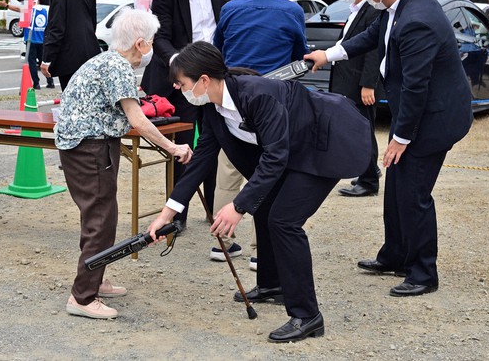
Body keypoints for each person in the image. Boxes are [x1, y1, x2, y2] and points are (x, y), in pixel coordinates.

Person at [147, 41, 371, 343]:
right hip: (293, 148)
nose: (178, 88)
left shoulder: (257, 93)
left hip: (324, 142)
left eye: (181, 83)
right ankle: (272, 284)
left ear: (203, 80)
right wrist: (167, 213)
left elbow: (275, 156)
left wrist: (237, 206)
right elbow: (201, 161)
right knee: (264, 207)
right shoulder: (212, 109)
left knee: (283, 220)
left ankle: (307, 316)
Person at [305, 0, 473, 297]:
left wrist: (400, 137)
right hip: (417, 112)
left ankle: (424, 273)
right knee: (396, 186)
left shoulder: (418, 20)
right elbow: (369, 39)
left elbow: (416, 87)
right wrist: (328, 54)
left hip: (435, 118)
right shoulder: (400, 2)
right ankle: (395, 255)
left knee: (414, 193)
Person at [55, 9, 193, 320]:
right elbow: (138, 120)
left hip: (84, 145)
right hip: (90, 148)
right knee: (101, 219)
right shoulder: (116, 67)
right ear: (141, 43)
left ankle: (95, 278)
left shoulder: (105, 61)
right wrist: (172, 146)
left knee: (98, 216)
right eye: (153, 42)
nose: (154, 48)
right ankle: (83, 296)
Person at [211, 0, 308, 268]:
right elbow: (298, 55)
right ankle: (260, 248)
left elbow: (218, 49)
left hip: (235, 94)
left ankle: (222, 241)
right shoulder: (292, 10)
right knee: (270, 168)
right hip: (275, 96)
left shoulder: (231, 8)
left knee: (228, 168)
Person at [140, 0, 234, 226]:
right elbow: (161, 38)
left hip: (214, 78)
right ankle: (177, 213)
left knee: (216, 140)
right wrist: (181, 67)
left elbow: (229, 22)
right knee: (183, 147)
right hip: (181, 80)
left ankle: (212, 210)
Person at [332, 0, 385, 198]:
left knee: (363, 130)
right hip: (348, 82)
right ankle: (368, 170)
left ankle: (369, 180)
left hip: (360, 85)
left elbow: (374, 51)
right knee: (358, 129)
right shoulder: (356, 10)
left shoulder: (372, 11)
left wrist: (368, 84)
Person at [40, 0, 101, 91]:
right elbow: (92, 20)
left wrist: (47, 59)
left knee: (72, 103)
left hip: (69, 58)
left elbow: (56, 27)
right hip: (90, 53)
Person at [26, 2, 54, 89]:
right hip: (42, 41)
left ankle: (36, 83)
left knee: (32, 63)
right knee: (44, 61)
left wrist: (7, 6)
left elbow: (17, 9)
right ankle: (50, 81)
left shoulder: (29, 11)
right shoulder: (44, 11)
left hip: (32, 41)